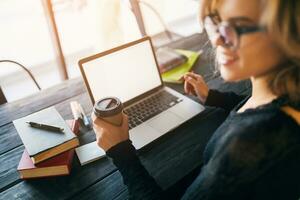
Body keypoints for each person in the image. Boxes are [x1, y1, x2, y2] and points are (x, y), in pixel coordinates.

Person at [92, 0, 300, 199]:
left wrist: (121, 152)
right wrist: (213, 97)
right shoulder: (288, 93)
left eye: (239, 26)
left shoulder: (247, 145)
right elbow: (257, 104)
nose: (217, 39)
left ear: (290, 33)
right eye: (216, 22)